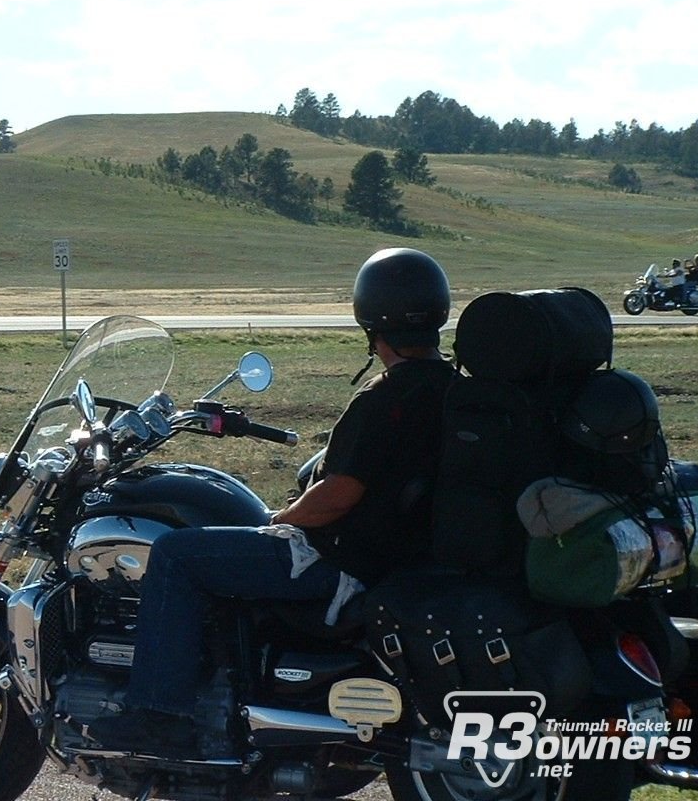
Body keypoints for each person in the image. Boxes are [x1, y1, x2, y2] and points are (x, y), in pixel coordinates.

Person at [90, 248, 456, 754]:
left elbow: (337, 496)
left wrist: (281, 519)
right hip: (399, 555)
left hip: (340, 561)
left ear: (369, 319)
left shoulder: (384, 399)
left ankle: (158, 714)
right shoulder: (453, 387)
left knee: (176, 555)